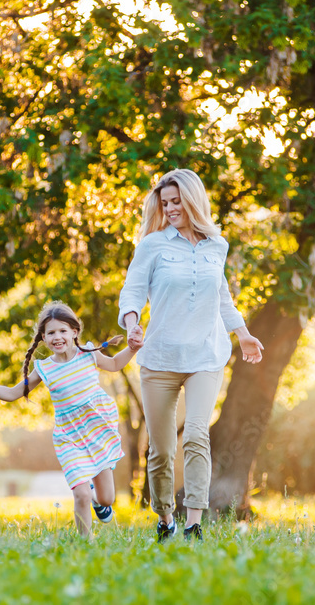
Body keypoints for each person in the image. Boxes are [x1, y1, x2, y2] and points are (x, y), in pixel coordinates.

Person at [118, 168, 264, 542]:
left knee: (197, 434)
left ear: (193, 200)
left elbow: (223, 298)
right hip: (160, 357)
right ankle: (166, 519)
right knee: (162, 450)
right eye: (164, 203)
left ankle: (194, 522)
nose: (169, 209)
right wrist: (132, 323)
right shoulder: (152, 245)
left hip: (205, 355)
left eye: (176, 202)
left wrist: (244, 335)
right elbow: (132, 291)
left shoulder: (218, 245)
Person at [0, 301, 136, 537]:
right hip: (69, 438)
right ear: (43, 337)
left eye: (62, 331)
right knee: (79, 494)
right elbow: (12, 393)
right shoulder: (44, 368)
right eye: (51, 333)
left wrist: (133, 348)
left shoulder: (88, 354)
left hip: (97, 432)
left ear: (74, 331)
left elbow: (114, 364)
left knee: (107, 498)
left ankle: (97, 500)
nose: (57, 337)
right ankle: (85, 544)